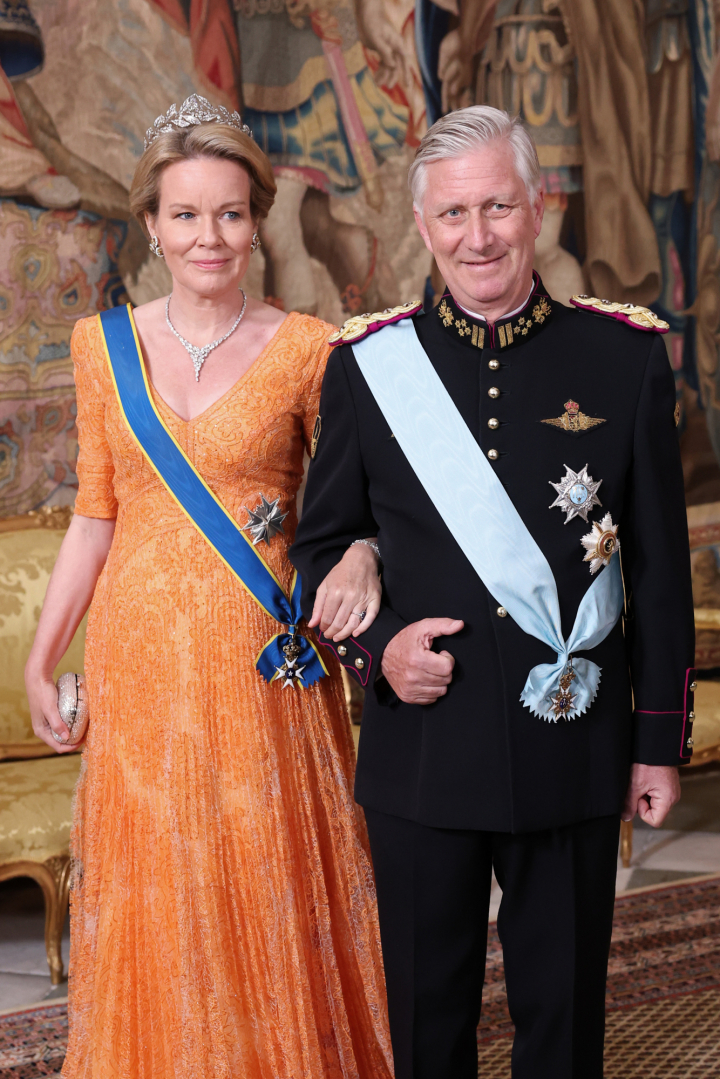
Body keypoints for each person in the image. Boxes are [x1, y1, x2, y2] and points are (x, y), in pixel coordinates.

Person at [290, 105, 696, 1079]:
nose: (479, 236)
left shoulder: (624, 355)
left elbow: (659, 567)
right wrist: (378, 645)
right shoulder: (367, 366)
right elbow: (320, 546)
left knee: (563, 1017)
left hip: (572, 738)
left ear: (538, 206)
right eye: (456, 213)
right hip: (422, 747)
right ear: (424, 227)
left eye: (499, 206)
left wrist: (656, 740)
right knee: (428, 1017)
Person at [25, 95, 392, 1079]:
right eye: (185, 214)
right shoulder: (101, 348)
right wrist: (41, 653)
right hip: (138, 659)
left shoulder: (312, 347)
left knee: (260, 880)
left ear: (256, 217)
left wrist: (358, 558)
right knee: (162, 886)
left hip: (263, 667)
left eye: (229, 212)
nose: (209, 236)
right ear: (151, 223)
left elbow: (359, 501)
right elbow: (94, 515)